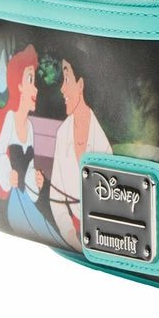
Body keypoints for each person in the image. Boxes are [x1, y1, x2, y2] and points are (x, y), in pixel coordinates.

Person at [0, 45, 64, 246]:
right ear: (18, 85)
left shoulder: (29, 126)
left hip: (28, 198)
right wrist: (8, 175)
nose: (35, 89)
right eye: (30, 80)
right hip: (15, 199)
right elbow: (0, 155)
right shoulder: (9, 120)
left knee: (51, 229)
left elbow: (29, 164)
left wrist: (34, 178)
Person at [49, 50, 112, 251]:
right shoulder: (62, 133)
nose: (62, 88)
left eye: (67, 79)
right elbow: (56, 199)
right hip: (72, 238)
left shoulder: (101, 142)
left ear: (81, 84)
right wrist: (71, 237)